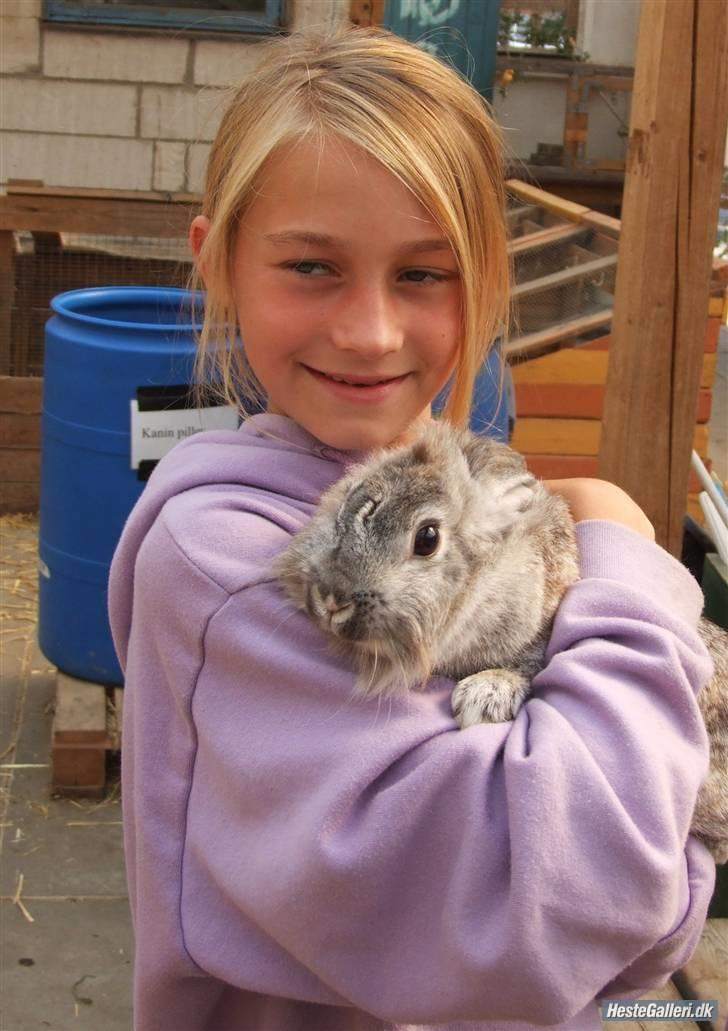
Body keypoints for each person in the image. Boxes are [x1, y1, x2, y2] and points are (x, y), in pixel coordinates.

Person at [108, 26, 715, 1031]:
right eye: (312, 265)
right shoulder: (232, 565)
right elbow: (577, 905)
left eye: (423, 275)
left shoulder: (469, 491)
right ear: (217, 262)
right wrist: (624, 557)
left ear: (486, 280)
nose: (370, 331)